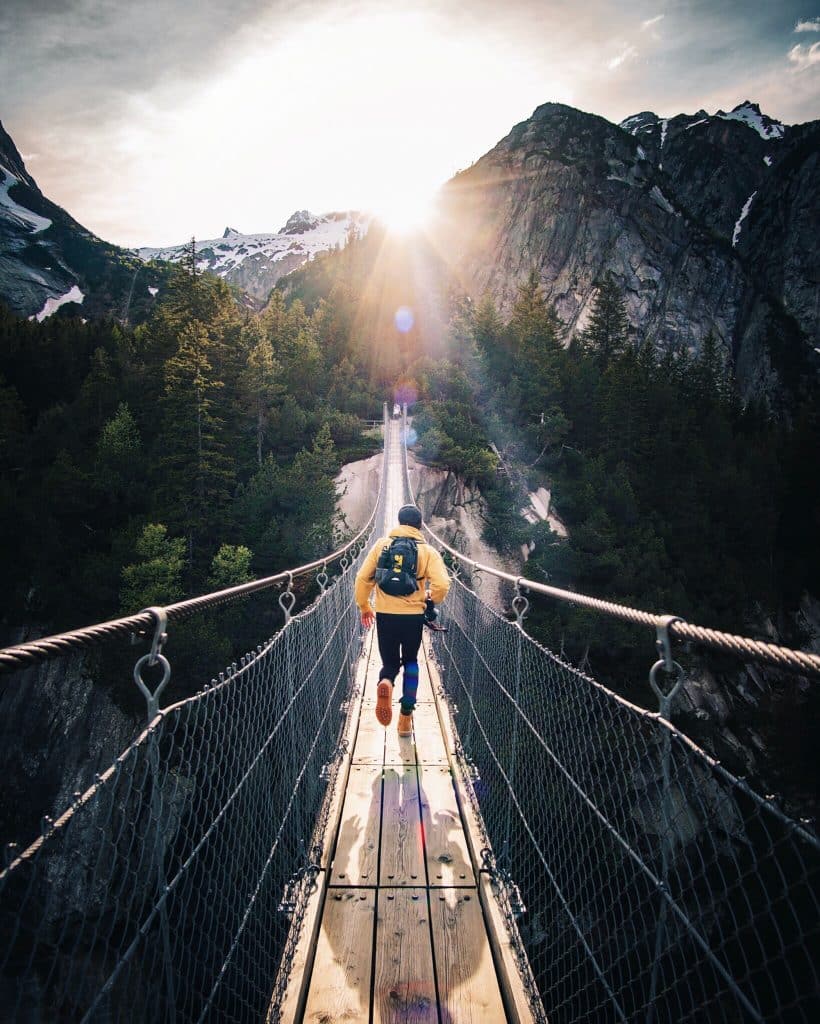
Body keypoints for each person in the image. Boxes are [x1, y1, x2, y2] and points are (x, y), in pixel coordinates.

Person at [355, 504, 450, 736]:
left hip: (386, 615)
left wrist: (365, 606)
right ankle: (405, 717)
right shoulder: (428, 552)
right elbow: (443, 585)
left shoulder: (381, 545)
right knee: (410, 663)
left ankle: (385, 681)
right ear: (420, 526)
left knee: (389, 663)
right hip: (412, 619)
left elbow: (362, 578)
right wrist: (430, 598)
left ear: (398, 523)